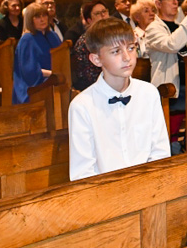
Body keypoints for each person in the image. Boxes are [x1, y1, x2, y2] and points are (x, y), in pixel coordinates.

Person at [68, 18, 171, 181]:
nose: (127, 57)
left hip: (148, 188)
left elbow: (160, 153)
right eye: (115, 51)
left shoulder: (149, 93)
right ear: (96, 59)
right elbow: (83, 173)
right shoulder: (82, 106)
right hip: (105, 196)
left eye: (131, 48)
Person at [145, 0, 187, 111]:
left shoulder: (180, 27)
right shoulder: (153, 29)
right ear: (158, 4)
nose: (176, 3)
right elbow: (172, 45)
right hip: (169, 90)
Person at [13, 1, 62, 104]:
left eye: (44, 15)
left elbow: (62, 57)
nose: (42, 19)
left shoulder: (52, 35)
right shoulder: (27, 39)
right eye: (37, 17)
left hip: (55, 81)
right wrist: (53, 74)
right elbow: (30, 72)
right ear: (30, 20)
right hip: (33, 88)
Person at [71, 1, 111, 91]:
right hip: (91, 88)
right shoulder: (86, 41)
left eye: (104, 11)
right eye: (98, 14)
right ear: (89, 20)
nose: (103, 15)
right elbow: (88, 74)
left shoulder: (111, 37)